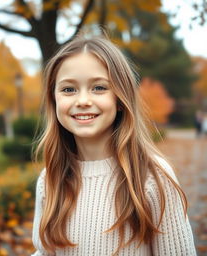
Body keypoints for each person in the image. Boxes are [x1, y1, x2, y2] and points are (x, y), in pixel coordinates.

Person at [31, 34, 196, 256]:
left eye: (99, 88)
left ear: (120, 99)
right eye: (68, 89)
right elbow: (45, 252)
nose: (82, 101)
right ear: (54, 100)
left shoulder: (152, 177)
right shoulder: (50, 179)